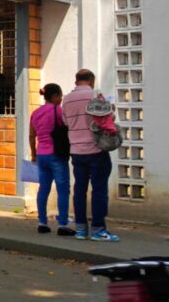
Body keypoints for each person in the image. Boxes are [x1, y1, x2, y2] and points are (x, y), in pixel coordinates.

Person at [62, 69, 119, 242]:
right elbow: (107, 119)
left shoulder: (66, 99)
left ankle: (80, 230)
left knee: (79, 190)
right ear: (91, 80)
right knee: (99, 190)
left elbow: (66, 122)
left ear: (76, 81)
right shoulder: (95, 96)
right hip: (96, 150)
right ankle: (98, 230)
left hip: (76, 152)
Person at [29, 83, 75, 236]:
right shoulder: (58, 111)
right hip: (56, 154)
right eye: (60, 96)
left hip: (41, 155)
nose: (61, 99)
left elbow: (31, 136)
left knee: (44, 188)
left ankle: (42, 222)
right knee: (63, 189)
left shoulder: (35, 113)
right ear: (55, 96)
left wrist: (33, 154)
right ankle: (62, 224)